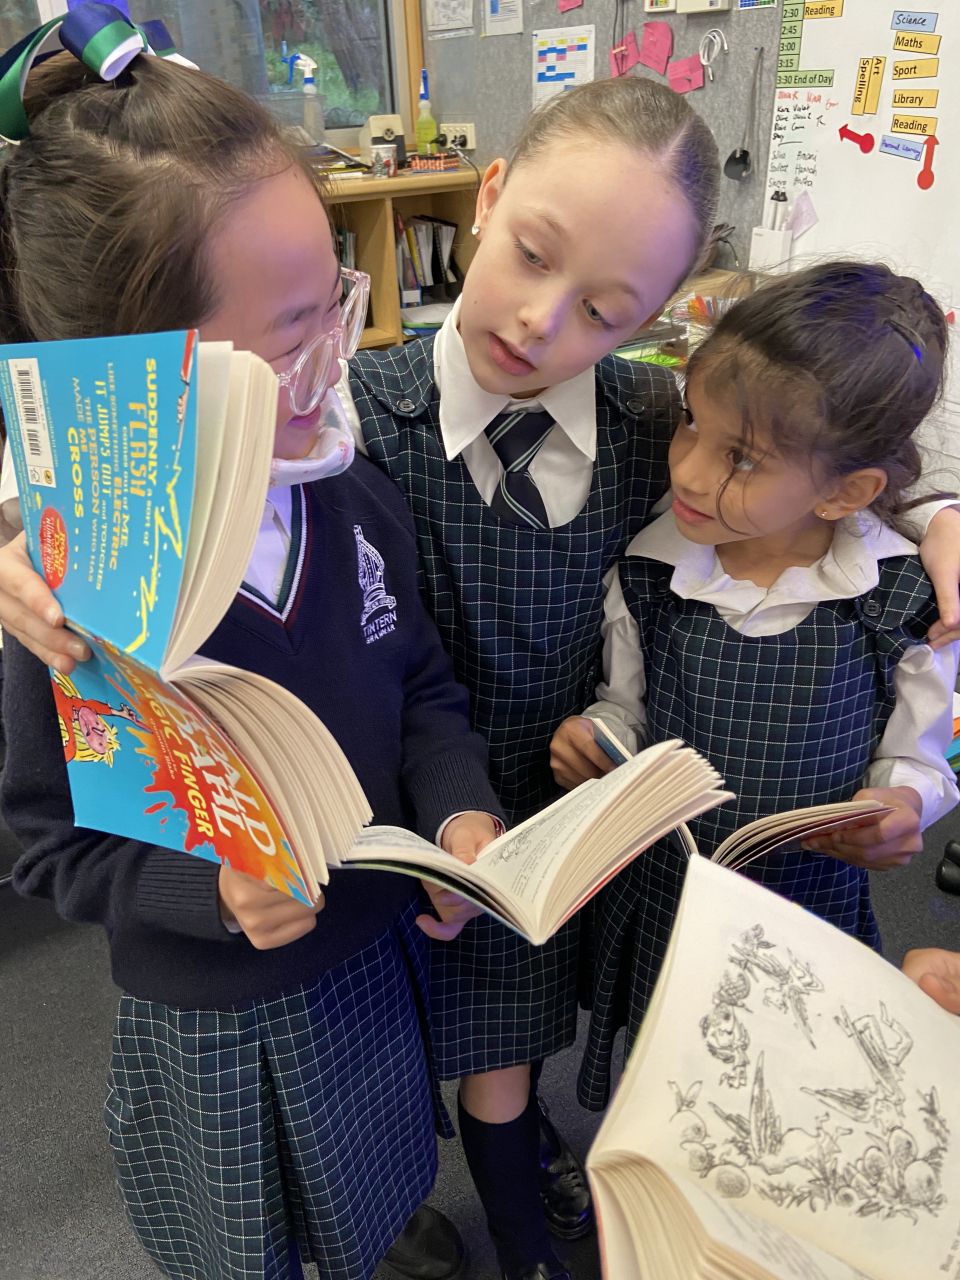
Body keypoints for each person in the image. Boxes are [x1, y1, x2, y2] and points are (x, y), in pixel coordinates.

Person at [5, 69, 960, 1280]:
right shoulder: (346, 427)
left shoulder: (642, 429)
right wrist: (19, 519)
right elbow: (119, 439)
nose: (541, 323)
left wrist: (940, 508)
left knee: (474, 1112)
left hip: (530, 863)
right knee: (295, 1191)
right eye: (532, 255)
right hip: (317, 935)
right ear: (491, 197)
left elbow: (816, 435)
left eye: (607, 308)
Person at [0, 17, 504, 1280]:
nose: (337, 355)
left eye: (336, 298)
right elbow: (45, 840)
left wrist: (459, 813)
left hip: (371, 959)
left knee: (377, 1192)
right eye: (290, 338)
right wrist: (210, 893)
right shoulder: (66, 597)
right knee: (244, 1244)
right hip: (210, 1012)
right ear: (135, 375)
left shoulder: (351, 493)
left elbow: (422, 685)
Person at [549, 261, 960, 1113]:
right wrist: (597, 737)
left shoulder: (900, 599)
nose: (690, 473)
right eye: (690, 424)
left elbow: (918, 758)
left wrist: (902, 805)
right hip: (673, 900)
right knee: (671, 1085)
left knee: (797, 1092)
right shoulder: (652, 571)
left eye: (740, 458)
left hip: (811, 907)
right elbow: (625, 705)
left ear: (846, 492)